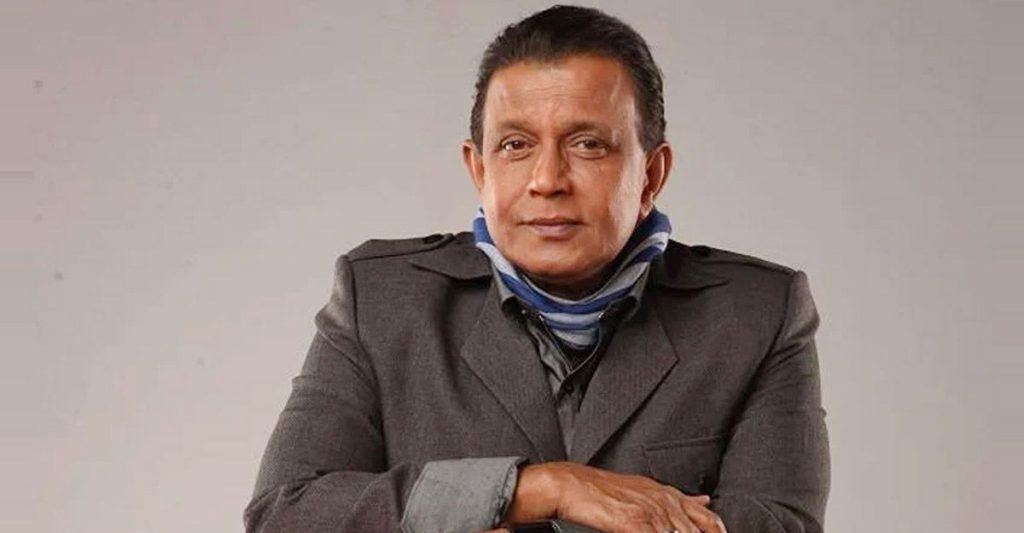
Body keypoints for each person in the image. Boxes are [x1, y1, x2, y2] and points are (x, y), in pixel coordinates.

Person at [244, 6, 829, 533]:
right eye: (516, 145)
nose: (547, 180)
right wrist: (544, 488)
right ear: (479, 169)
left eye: (588, 144)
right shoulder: (380, 299)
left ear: (651, 176)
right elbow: (285, 514)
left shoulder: (757, 313)